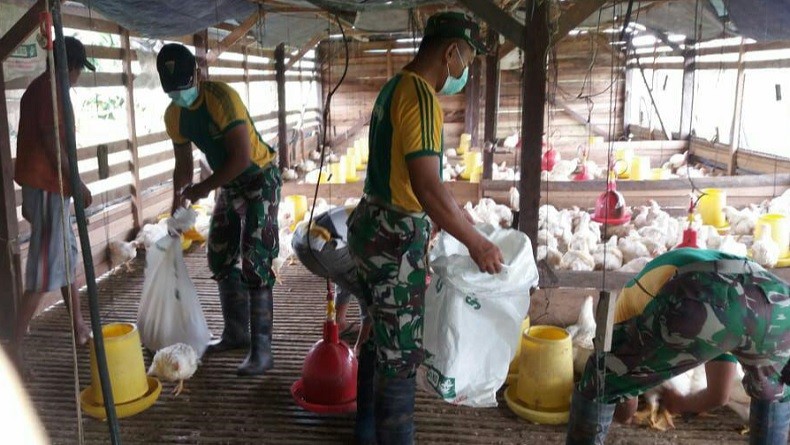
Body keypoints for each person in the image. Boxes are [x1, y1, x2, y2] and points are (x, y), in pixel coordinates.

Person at [347, 12, 504, 445]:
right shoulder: (420, 96)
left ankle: (366, 433)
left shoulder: (395, 87)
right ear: (451, 53)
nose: (465, 71)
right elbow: (425, 183)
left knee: (380, 338)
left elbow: (414, 176)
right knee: (399, 356)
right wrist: (475, 242)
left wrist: (457, 215)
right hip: (393, 241)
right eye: (467, 58)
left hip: (371, 225)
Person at [567, 248, 790, 445]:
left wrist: (623, 408)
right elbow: (718, 394)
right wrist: (682, 403)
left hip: (700, 295)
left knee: (599, 381)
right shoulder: (709, 273)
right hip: (777, 301)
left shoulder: (626, 303)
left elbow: (621, 401)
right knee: (774, 394)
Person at [157, 43, 281, 376]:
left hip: (259, 178)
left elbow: (241, 159)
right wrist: (176, 209)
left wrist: (201, 189)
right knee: (221, 256)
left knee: (256, 260)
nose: (179, 95)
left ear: (197, 74)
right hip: (230, 183)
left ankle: (262, 352)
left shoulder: (221, 99)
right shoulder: (175, 115)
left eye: (184, 87)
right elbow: (182, 166)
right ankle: (236, 333)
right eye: (172, 91)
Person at [13, 36, 95, 360]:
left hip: (49, 188)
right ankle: (15, 349)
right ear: (71, 66)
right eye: (78, 70)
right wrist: (76, 182)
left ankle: (78, 325)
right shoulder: (49, 90)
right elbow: (50, 142)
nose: (78, 76)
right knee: (44, 269)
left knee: (66, 255)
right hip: (48, 186)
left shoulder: (43, 88)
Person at [612, 249, 740, 421]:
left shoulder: (726, 311)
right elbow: (624, 401)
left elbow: (719, 395)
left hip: (725, 291)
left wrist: (681, 403)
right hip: (704, 285)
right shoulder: (631, 308)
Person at [291, 204, 371, 353]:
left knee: (347, 272)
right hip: (321, 247)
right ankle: (362, 348)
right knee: (368, 289)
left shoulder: (363, 207)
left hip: (300, 241)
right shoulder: (381, 218)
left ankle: (339, 322)